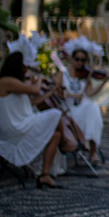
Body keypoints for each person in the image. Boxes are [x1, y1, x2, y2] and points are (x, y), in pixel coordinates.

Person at [0, 50, 64, 188]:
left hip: (23, 123)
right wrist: (39, 79)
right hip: (15, 128)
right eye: (26, 66)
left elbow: (32, 102)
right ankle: (66, 144)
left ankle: (45, 175)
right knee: (55, 114)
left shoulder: (17, 83)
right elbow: (35, 90)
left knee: (55, 135)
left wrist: (51, 91)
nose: (27, 69)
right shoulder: (6, 81)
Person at [62, 44, 107, 164]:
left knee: (93, 107)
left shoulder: (86, 74)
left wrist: (104, 82)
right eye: (77, 59)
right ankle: (86, 143)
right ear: (72, 59)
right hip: (69, 110)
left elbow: (90, 94)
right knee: (91, 110)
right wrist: (72, 95)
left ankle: (93, 151)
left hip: (83, 107)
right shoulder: (63, 73)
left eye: (83, 60)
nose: (80, 63)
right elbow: (59, 91)